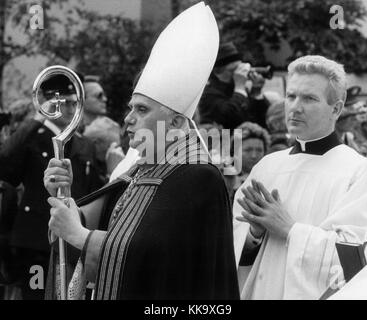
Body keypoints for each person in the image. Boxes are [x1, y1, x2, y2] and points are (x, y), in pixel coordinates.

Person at [43, 2, 239, 300]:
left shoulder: (198, 176)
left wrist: (80, 236)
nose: (128, 119)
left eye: (142, 109)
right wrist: (65, 198)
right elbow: (113, 229)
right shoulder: (139, 170)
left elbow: (166, 264)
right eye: (130, 108)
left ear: (175, 122)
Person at [233, 55, 367, 299]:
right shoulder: (267, 167)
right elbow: (233, 249)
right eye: (291, 96)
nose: (295, 107)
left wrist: (289, 229)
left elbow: (357, 258)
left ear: (337, 108)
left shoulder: (359, 171)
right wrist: (254, 235)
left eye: (309, 98)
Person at [0, 74, 103, 300]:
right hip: (37, 241)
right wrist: (36, 119)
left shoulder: (84, 144)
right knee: (37, 294)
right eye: (64, 103)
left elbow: (95, 189)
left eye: (75, 103)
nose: (70, 110)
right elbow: (5, 167)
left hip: (74, 238)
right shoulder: (32, 135)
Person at [198, 42, 271, 130]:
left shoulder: (240, 90)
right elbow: (231, 119)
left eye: (240, 68)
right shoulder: (208, 95)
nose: (239, 73)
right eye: (233, 70)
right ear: (218, 72)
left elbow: (265, 120)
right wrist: (239, 88)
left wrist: (256, 93)